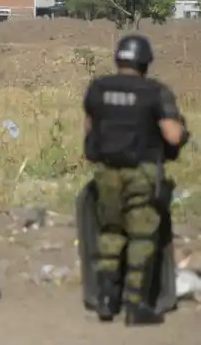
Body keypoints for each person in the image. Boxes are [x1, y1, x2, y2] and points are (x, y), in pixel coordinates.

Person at [83, 34, 190, 325]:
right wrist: (183, 132)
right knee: (141, 235)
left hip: (106, 172)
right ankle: (135, 305)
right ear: (145, 61)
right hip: (141, 172)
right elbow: (172, 135)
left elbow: (90, 132)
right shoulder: (155, 92)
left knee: (111, 232)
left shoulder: (98, 88)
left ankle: (106, 300)